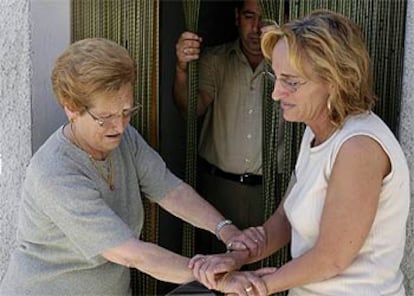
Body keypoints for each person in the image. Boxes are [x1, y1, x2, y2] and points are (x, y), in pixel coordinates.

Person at [0, 38, 269, 296]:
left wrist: (226, 230)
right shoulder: (54, 172)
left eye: (127, 112)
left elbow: (169, 189)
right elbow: (131, 253)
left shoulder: (125, 138)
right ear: (71, 108)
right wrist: (216, 277)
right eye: (105, 117)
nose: (119, 126)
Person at [189, 10, 410, 295]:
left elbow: (331, 258)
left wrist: (255, 287)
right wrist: (238, 255)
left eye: (291, 82)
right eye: (276, 77)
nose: (276, 93)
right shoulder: (315, 132)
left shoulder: (359, 148)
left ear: (336, 80)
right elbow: (286, 217)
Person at [174, 0, 278, 256]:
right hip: (219, 188)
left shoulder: (290, 65)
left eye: (264, 19)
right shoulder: (216, 60)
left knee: (265, 272)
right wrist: (181, 69)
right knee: (216, 270)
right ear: (236, 17)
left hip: (273, 189)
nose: (256, 28)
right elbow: (191, 109)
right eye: (249, 17)